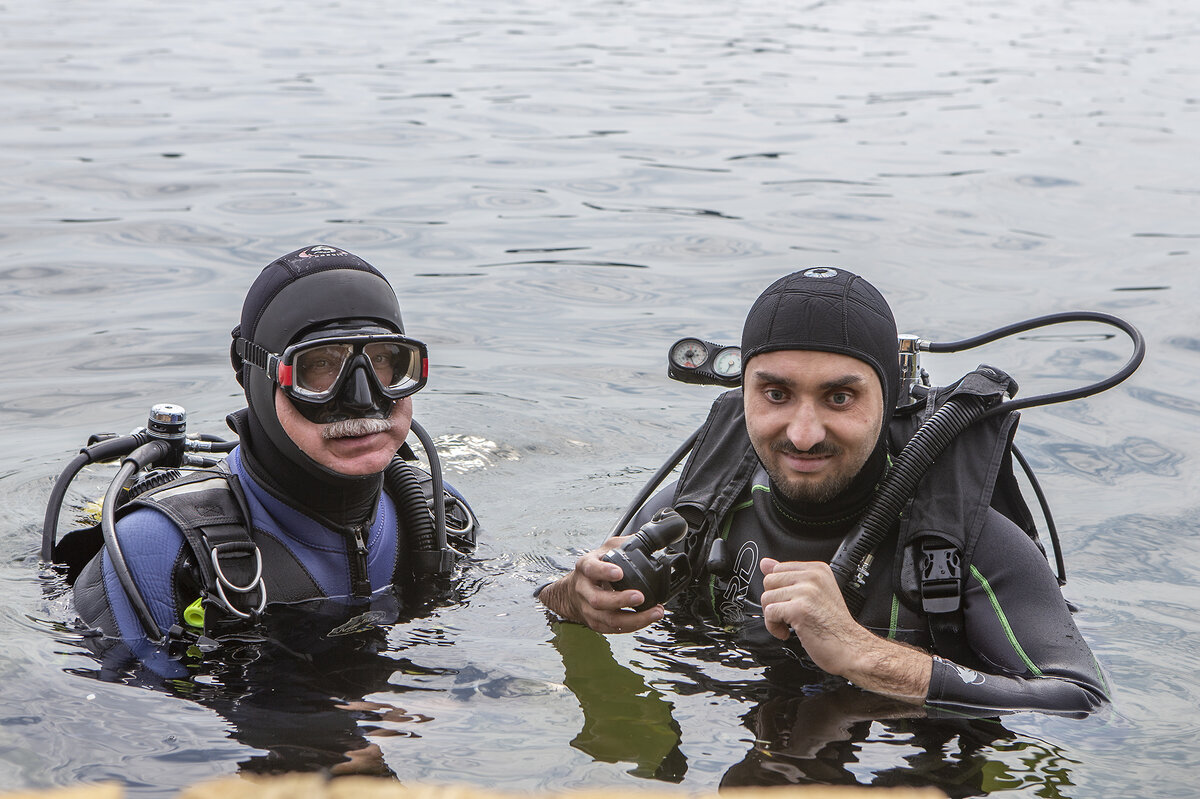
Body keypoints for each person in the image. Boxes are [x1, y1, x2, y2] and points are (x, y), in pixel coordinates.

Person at [538, 267, 1108, 715]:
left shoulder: (970, 544)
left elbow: (1082, 700)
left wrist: (864, 654)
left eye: (840, 397)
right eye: (776, 394)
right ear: (744, 394)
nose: (803, 434)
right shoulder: (694, 516)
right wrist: (572, 598)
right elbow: (535, 603)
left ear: (889, 402)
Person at [70, 244, 477, 664]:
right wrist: (344, 721)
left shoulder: (438, 515)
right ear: (256, 378)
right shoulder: (156, 551)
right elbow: (116, 719)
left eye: (384, 361)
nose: (362, 400)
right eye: (318, 366)